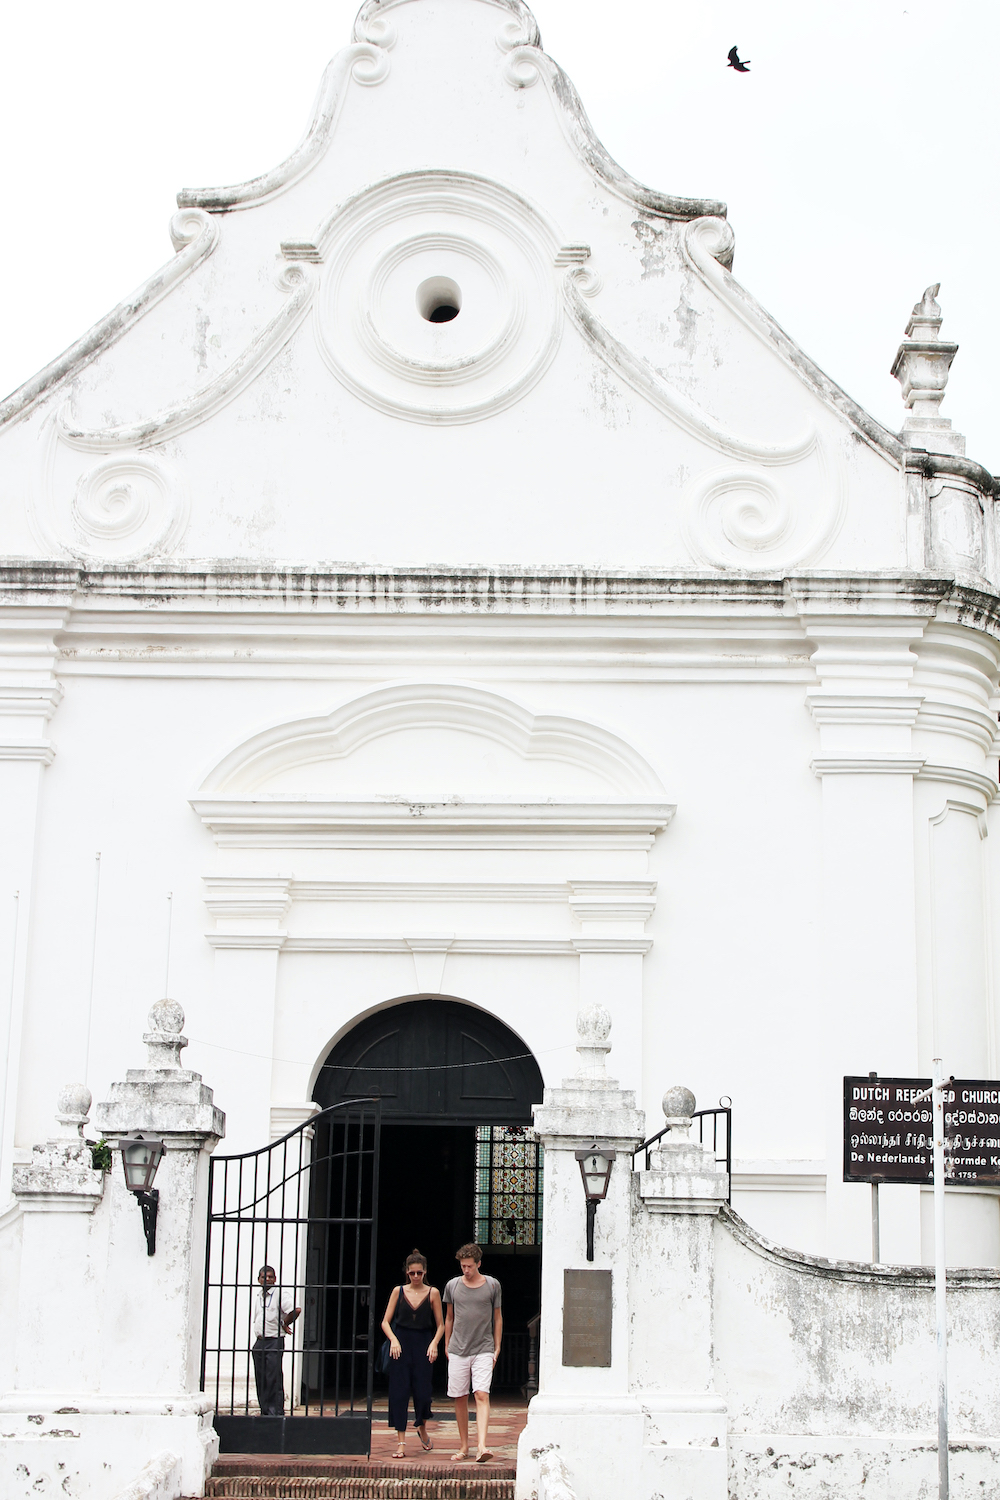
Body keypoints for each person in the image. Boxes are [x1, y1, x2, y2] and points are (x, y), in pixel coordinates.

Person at [381, 1248, 444, 1457]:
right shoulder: (398, 1291)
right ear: (406, 1273)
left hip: (424, 1343)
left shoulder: (433, 1292)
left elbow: (441, 1325)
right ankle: (401, 1442)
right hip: (401, 1344)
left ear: (425, 1272)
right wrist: (393, 1340)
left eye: (419, 1273)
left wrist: (435, 1343)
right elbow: (385, 1322)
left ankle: (422, 1425)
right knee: (399, 1392)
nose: (416, 1277)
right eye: (412, 1273)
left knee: (423, 1393)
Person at [443, 1242, 502, 1464]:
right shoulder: (452, 1286)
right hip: (458, 1348)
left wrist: (497, 1347)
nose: (465, 1270)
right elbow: (449, 1316)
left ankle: (482, 1446)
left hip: (483, 1348)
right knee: (459, 1396)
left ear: (479, 1264)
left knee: (481, 1394)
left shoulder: (492, 1286)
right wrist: (448, 1344)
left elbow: (497, 1318)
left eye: (469, 1266)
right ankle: (464, 1446)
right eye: (462, 1266)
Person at [252, 1265, 301, 1416]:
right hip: (260, 1341)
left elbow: (295, 1309)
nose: (267, 1279)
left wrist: (285, 1323)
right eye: (264, 1277)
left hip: (274, 1340)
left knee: (272, 1377)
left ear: (275, 1279)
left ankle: (275, 1411)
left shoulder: (280, 1294)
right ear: (258, 1280)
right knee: (261, 1378)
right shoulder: (259, 1295)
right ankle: (264, 1410)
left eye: (270, 1277)